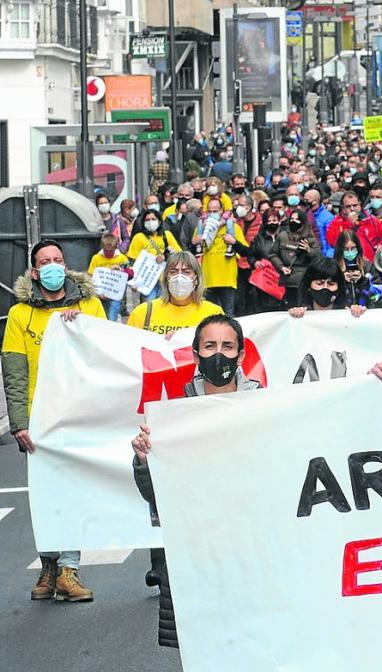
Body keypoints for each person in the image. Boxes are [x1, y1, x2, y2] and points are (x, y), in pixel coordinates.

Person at [131, 314, 265, 648]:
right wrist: (146, 461)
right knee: (205, 650)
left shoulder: (265, 408)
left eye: (227, 346)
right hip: (198, 555)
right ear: (196, 355)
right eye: (210, 346)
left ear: (241, 355)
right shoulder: (174, 418)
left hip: (252, 551)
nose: (218, 353)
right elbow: (156, 496)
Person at [3, 240, 106, 603]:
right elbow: (14, 370)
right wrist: (18, 422)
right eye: (44, 262)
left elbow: (106, 355)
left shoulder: (89, 305)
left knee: (73, 493)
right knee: (46, 498)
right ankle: (49, 566)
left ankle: (69, 570)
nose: (52, 266)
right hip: (39, 422)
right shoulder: (20, 315)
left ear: (66, 266)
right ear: (34, 272)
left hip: (77, 416)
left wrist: (81, 329)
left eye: (57, 260)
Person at [127, 251, 223, 334]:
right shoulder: (142, 313)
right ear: (166, 278)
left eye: (186, 272)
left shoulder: (214, 314)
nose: (179, 277)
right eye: (173, 272)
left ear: (196, 279)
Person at [192, 197, 248, 314]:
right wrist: (195, 241)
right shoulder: (201, 228)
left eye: (215, 211)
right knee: (210, 315)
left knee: (228, 314)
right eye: (210, 211)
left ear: (222, 211)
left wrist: (233, 242)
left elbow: (246, 251)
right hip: (208, 279)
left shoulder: (233, 227)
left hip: (226, 279)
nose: (213, 214)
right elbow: (193, 249)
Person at [128, 208, 183, 302]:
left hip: (166, 279)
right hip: (147, 281)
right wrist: (133, 281)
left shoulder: (167, 235)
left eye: (153, 219)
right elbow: (133, 261)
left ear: (159, 221)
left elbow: (179, 255)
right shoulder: (138, 238)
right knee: (149, 307)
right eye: (147, 220)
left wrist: (165, 257)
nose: (150, 222)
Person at [288, 257, 366, 318]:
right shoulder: (302, 315)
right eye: (319, 283)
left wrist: (358, 313)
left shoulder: (347, 314)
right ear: (309, 286)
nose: (325, 287)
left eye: (331, 284)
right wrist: (294, 316)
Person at [87, 233, 130, 321]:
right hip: (101, 294)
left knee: (112, 315)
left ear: (115, 248)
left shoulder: (121, 258)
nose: (109, 253)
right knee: (102, 315)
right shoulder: (96, 258)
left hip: (115, 294)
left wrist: (121, 270)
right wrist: (96, 291)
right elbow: (90, 275)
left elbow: (131, 273)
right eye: (106, 251)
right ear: (103, 248)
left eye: (111, 251)